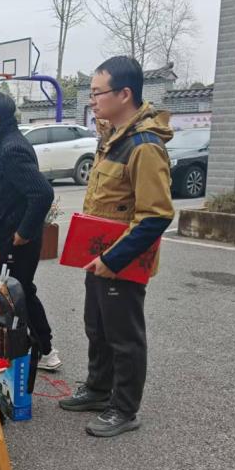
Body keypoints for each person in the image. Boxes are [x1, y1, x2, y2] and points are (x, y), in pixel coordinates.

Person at [58, 56, 174, 437]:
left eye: (97, 93)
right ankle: (98, 388)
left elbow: (156, 216)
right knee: (97, 326)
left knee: (124, 336)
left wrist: (113, 259)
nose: (92, 100)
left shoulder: (144, 146)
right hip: (98, 256)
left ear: (124, 94)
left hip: (122, 261)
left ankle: (124, 408)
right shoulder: (113, 139)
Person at [0, 92, 61, 371]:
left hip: (19, 242)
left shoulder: (11, 150)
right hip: (8, 238)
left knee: (22, 293)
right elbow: (1, 195)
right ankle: (25, 347)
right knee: (15, 293)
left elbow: (42, 193)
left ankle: (46, 349)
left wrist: (24, 233)